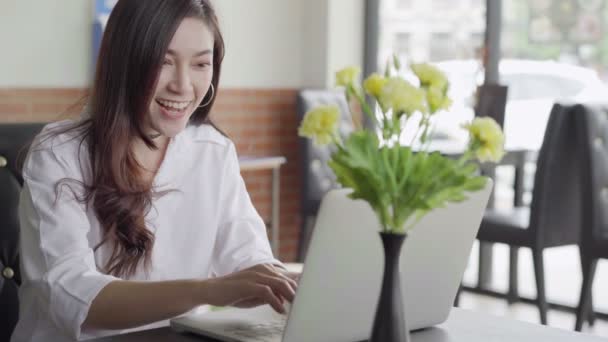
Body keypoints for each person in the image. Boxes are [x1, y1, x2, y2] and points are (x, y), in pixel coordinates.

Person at [11, 1, 297, 341]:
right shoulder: (59, 154)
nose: (183, 85)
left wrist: (283, 283)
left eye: (201, 64)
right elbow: (72, 296)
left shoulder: (213, 152)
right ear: (125, 61)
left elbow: (248, 258)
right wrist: (206, 291)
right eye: (164, 61)